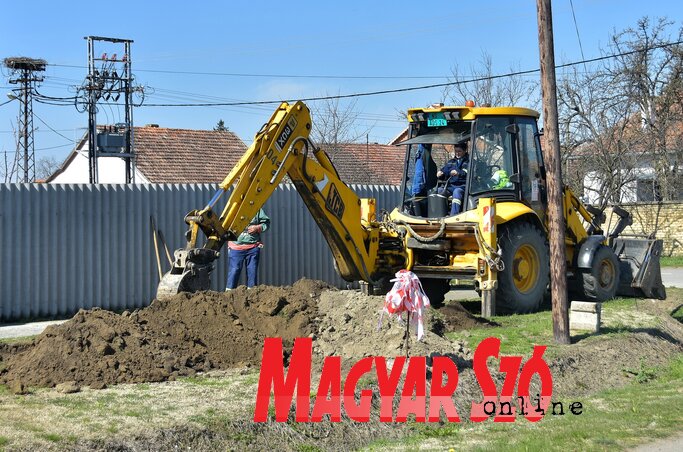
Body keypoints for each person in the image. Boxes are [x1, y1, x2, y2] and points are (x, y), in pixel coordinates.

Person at [225, 208, 270, 290]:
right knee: (234, 271)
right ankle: (229, 295)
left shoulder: (257, 208)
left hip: (253, 247)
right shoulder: (234, 207)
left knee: (252, 271)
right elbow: (225, 223)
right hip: (236, 247)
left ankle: (252, 295)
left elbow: (266, 223)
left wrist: (257, 228)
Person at [436, 141, 469, 215]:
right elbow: (445, 171)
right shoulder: (451, 162)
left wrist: (458, 173)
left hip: (463, 186)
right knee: (439, 191)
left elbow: (468, 173)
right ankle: (440, 215)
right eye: (456, 151)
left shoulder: (469, 162)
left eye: (459, 151)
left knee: (457, 192)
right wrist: (440, 173)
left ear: (464, 151)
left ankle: (453, 215)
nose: (457, 153)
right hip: (450, 186)